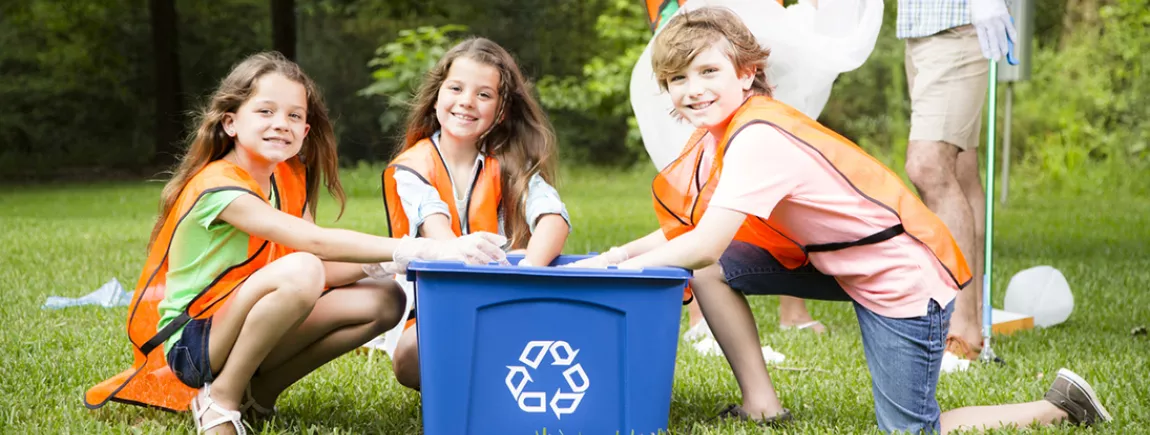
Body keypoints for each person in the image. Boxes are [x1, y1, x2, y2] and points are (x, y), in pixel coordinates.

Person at [577, 8, 1112, 433]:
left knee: (913, 431)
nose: (692, 89)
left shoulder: (758, 136)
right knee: (712, 272)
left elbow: (704, 243)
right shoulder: (725, 129)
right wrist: (622, 255)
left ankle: (1058, 407)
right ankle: (761, 406)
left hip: (899, 281)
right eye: (677, 78)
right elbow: (695, 228)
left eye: (708, 71)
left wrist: (609, 265)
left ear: (746, 73)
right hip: (834, 263)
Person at [84, 52, 507, 435]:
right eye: (265, 111)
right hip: (194, 342)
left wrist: (391, 266)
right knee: (303, 268)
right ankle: (220, 399)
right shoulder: (217, 186)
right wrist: (416, 247)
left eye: (292, 116)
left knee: (385, 300)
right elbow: (313, 246)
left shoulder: (284, 179)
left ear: (305, 130)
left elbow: (324, 270)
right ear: (231, 121)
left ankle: (259, 395)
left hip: (245, 321)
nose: (280, 124)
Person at [631, 0, 885, 340]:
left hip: (759, 28)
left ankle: (792, 312)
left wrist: (622, 264)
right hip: (691, 18)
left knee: (767, 168)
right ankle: (703, 316)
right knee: (703, 169)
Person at [377, 37, 572, 391]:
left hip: (510, 297)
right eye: (456, 88)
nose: (467, 101)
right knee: (413, 355)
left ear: (500, 110)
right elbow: (442, 238)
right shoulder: (411, 168)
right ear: (437, 97)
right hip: (436, 307)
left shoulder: (513, 162)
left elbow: (553, 218)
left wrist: (527, 273)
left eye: (484, 94)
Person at [898, 0, 1019, 367]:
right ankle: (972, 320)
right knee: (960, 171)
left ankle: (962, 332)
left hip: (959, 26)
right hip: (922, 28)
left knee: (929, 165)